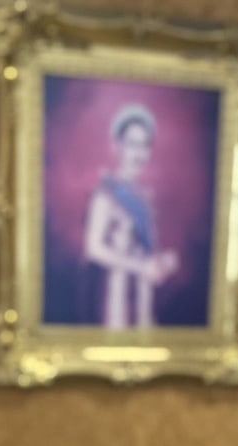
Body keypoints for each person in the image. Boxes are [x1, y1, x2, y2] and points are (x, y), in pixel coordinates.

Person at [83, 104, 179, 329]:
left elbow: (146, 251)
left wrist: (163, 262)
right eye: (132, 145)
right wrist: (141, 267)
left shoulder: (145, 196)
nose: (139, 154)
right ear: (117, 147)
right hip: (116, 298)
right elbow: (93, 248)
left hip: (143, 298)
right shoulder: (105, 194)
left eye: (145, 146)